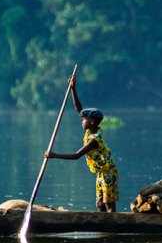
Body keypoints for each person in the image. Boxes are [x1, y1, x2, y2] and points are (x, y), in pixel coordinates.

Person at [45, 69, 119, 212]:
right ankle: (102, 227)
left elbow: (76, 156)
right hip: (100, 173)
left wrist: (54, 155)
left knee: (109, 204)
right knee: (99, 204)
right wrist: (73, 88)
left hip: (108, 172)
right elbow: (79, 109)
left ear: (91, 122)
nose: (81, 120)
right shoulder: (90, 130)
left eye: (84, 119)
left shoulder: (94, 139)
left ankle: (112, 228)